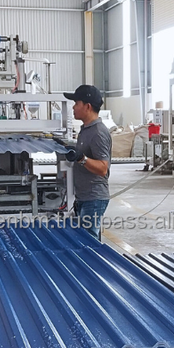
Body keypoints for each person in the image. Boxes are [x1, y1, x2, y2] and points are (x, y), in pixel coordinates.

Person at [62, 83, 111, 240]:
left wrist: (81, 158)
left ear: (87, 106)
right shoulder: (86, 129)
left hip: (94, 198)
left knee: (88, 244)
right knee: (88, 241)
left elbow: (103, 168)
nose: (73, 107)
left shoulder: (98, 133)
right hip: (85, 197)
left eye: (77, 103)